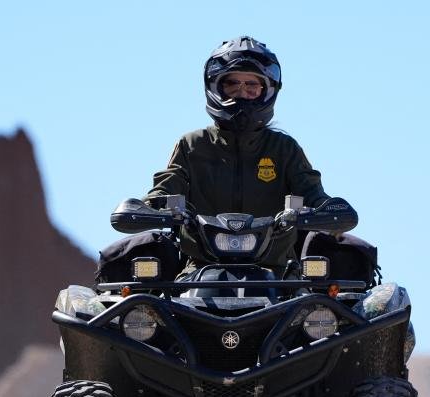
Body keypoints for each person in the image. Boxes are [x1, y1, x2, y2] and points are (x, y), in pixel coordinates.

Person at [144, 36, 343, 272]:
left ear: (267, 91)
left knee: (326, 306)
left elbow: (312, 193)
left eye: (252, 86)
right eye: (232, 84)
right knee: (148, 305)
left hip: (279, 275)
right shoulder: (192, 144)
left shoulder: (284, 148)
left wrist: (329, 210)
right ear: (215, 87)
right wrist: (148, 206)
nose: (242, 92)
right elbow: (166, 186)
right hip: (198, 269)